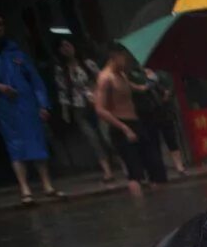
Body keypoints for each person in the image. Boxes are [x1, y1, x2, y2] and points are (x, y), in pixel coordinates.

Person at [0, 9, 63, 205]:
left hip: (26, 102)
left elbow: (34, 79)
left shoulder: (15, 50)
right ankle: (24, 188)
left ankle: (47, 184)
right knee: (14, 143)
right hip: (1, 103)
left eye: (0, 23)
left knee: (37, 140)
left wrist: (43, 104)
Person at [94, 42, 167, 196]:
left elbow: (137, 88)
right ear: (115, 56)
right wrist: (123, 127)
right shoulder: (105, 78)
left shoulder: (122, 75)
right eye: (125, 58)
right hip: (121, 126)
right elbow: (100, 108)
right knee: (135, 171)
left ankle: (158, 200)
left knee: (155, 165)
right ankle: (140, 207)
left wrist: (150, 81)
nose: (127, 62)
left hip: (136, 123)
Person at [54, 38, 116, 185]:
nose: (66, 49)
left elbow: (102, 80)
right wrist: (65, 112)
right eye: (62, 47)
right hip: (78, 107)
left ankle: (123, 163)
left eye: (68, 45)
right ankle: (107, 170)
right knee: (92, 138)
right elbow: (62, 91)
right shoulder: (61, 70)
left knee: (107, 134)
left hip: (97, 103)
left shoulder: (88, 64)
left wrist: (99, 94)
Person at [130, 66, 186, 176]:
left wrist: (166, 93)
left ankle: (179, 166)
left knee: (171, 138)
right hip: (148, 112)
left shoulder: (161, 74)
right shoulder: (136, 75)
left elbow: (170, 89)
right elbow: (140, 90)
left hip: (164, 111)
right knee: (153, 141)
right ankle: (159, 168)